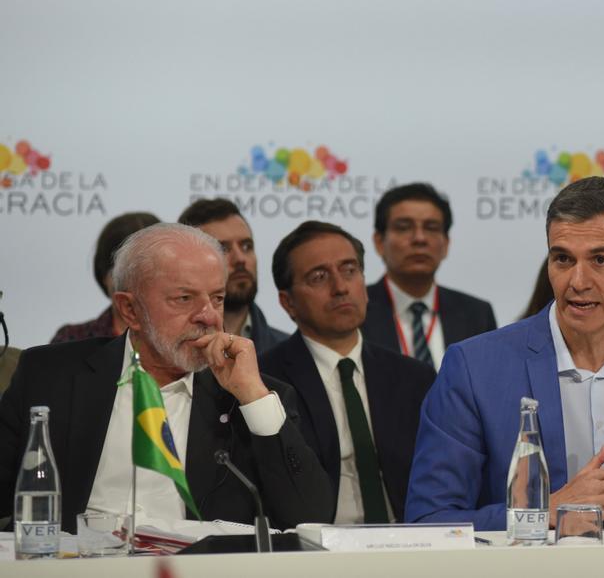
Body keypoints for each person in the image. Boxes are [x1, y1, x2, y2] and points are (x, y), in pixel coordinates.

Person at [405, 177, 604, 530]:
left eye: (600, 260)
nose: (578, 281)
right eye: (563, 259)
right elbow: (430, 519)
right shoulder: (475, 368)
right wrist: (544, 513)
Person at [0, 224, 333, 532]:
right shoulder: (49, 376)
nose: (208, 316)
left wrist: (253, 397)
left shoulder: (252, 397)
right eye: (184, 298)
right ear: (130, 310)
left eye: (217, 298)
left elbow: (310, 519)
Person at [261, 221, 436, 524]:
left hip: (409, 545)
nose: (340, 287)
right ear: (287, 302)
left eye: (350, 270)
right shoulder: (265, 381)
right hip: (314, 553)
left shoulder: (414, 378)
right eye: (319, 277)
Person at [362, 183, 497, 370]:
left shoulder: (476, 314)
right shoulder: (357, 310)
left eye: (431, 228)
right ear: (379, 242)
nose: (419, 238)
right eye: (404, 227)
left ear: (446, 243)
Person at [179, 198, 288, 354]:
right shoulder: (167, 352)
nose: (240, 259)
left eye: (246, 246)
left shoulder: (291, 353)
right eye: (222, 249)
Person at [50, 211, 160, 344]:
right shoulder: (72, 341)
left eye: (150, 271)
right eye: (123, 273)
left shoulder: (186, 339)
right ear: (104, 275)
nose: (137, 284)